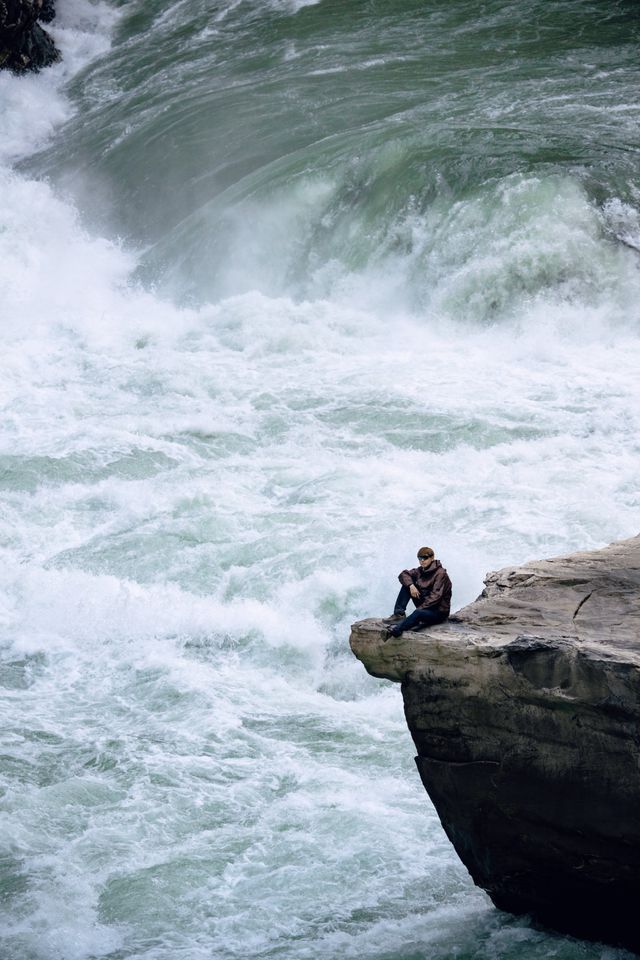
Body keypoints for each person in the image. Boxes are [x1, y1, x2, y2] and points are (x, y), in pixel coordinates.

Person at [383, 546, 452, 639]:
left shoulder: (441, 574)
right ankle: (399, 615)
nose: (422, 561)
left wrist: (419, 610)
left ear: (432, 558)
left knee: (418, 613)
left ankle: (395, 631)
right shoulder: (420, 570)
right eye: (420, 558)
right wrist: (411, 586)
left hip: (438, 612)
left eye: (425, 558)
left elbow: (436, 597)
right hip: (426, 607)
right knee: (406, 586)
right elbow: (403, 574)